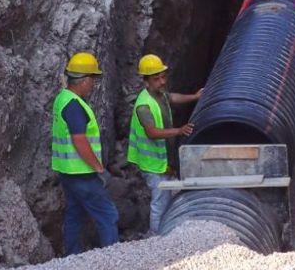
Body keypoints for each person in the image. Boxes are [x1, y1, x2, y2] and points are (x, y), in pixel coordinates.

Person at [127, 54, 203, 235]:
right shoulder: (144, 105)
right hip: (152, 163)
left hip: (163, 162)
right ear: (146, 82)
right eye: (156, 79)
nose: (162, 82)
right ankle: (156, 238)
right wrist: (179, 131)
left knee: (166, 199)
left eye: (163, 77)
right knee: (159, 203)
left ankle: (166, 232)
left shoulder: (159, 95)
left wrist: (195, 97)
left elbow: (173, 98)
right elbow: (152, 132)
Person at [51, 52, 118, 255]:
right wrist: (99, 168)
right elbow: (79, 140)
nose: (93, 85)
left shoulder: (62, 98)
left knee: (75, 214)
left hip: (67, 172)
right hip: (82, 173)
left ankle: (72, 257)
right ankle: (114, 258)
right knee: (108, 215)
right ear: (84, 80)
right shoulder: (74, 105)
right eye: (93, 80)